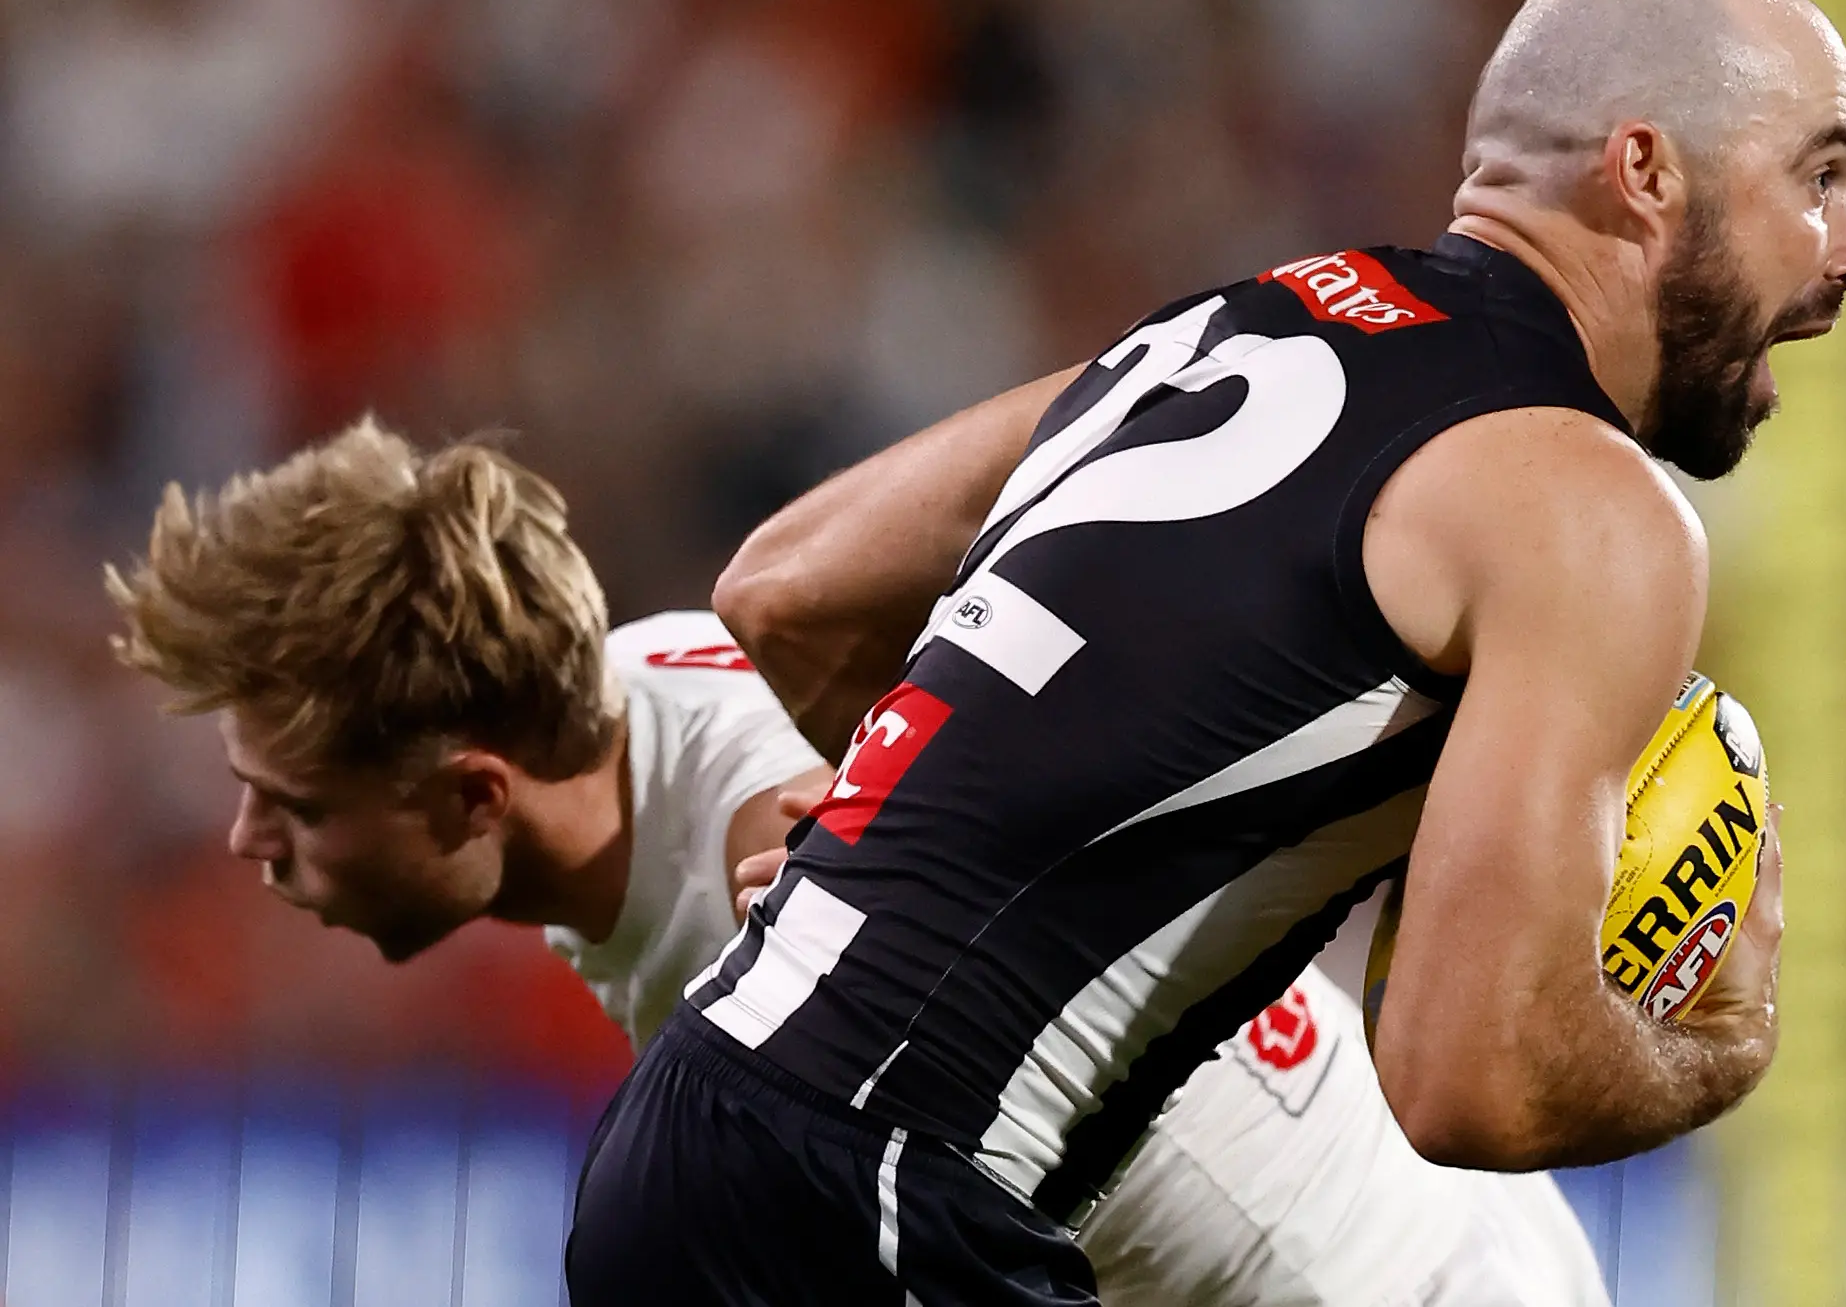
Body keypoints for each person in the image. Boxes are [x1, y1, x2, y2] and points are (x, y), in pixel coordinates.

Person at [567, 0, 1846, 1305]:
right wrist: (1718, 1047)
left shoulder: (1236, 326)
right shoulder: (1594, 506)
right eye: (1822, 177)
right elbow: (1463, 1081)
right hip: (880, 1201)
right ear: (1646, 172)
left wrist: (934, 845)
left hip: (689, 1144)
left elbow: (789, 584)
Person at [105, 418, 1610, 1305]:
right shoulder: (637, 695)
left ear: (473, 792)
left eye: (290, 801)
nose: (248, 839)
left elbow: (807, 828)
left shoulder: (781, 872)